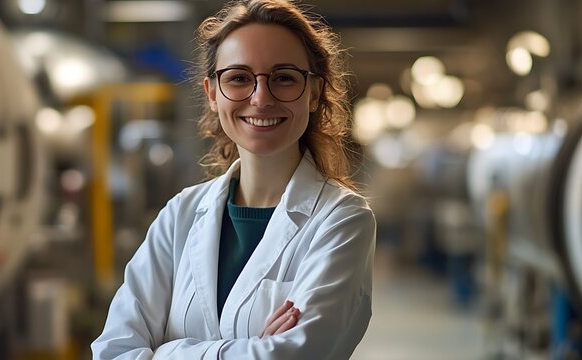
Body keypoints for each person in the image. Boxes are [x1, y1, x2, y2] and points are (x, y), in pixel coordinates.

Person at [92, 0, 376, 358]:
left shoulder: (342, 220)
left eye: (284, 78)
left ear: (314, 93)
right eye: (239, 78)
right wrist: (251, 347)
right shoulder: (179, 215)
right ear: (212, 94)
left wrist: (166, 351)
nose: (261, 98)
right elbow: (113, 351)